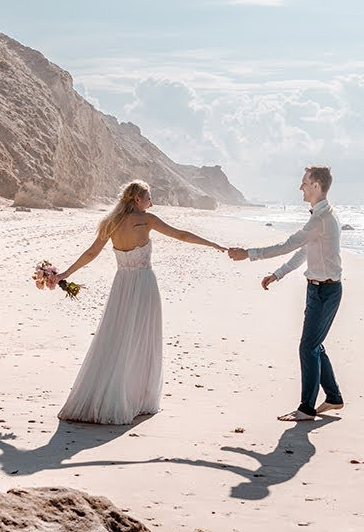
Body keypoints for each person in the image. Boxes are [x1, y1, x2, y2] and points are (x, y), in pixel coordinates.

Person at [53, 180, 225, 424]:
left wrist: (65, 274)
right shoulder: (147, 220)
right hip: (144, 285)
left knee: (116, 337)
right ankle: (134, 398)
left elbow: (91, 253)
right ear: (137, 199)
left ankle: (111, 394)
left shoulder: (109, 223)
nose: (151, 202)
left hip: (121, 285)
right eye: (148, 197)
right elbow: (182, 235)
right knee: (142, 338)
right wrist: (214, 244)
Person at [229, 166, 344, 422]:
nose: (300, 187)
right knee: (315, 346)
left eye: (304, 182)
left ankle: (306, 408)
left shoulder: (322, 219)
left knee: (308, 347)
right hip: (317, 289)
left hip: (326, 290)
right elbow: (303, 251)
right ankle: (334, 397)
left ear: (316, 185)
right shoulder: (321, 217)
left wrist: (249, 254)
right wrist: (278, 274)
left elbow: (288, 245)